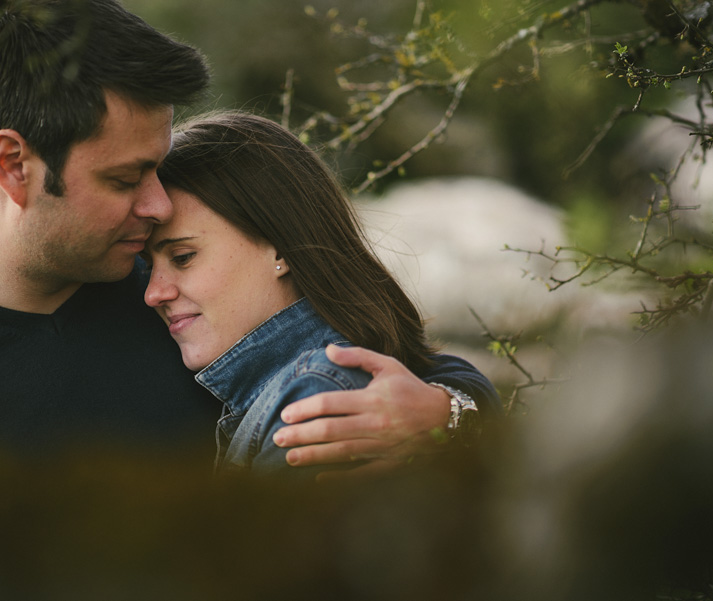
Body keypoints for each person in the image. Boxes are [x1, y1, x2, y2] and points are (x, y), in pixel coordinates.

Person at [0, 0, 499, 476]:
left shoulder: (188, 297)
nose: (156, 204)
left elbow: (414, 367)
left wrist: (444, 416)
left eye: (158, 168)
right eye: (127, 177)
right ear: (15, 166)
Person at [145, 111, 491, 479]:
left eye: (183, 257)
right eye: (147, 265)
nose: (153, 292)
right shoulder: (282, 384)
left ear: (279, 247)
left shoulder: (315, 400)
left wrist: (452, 409)